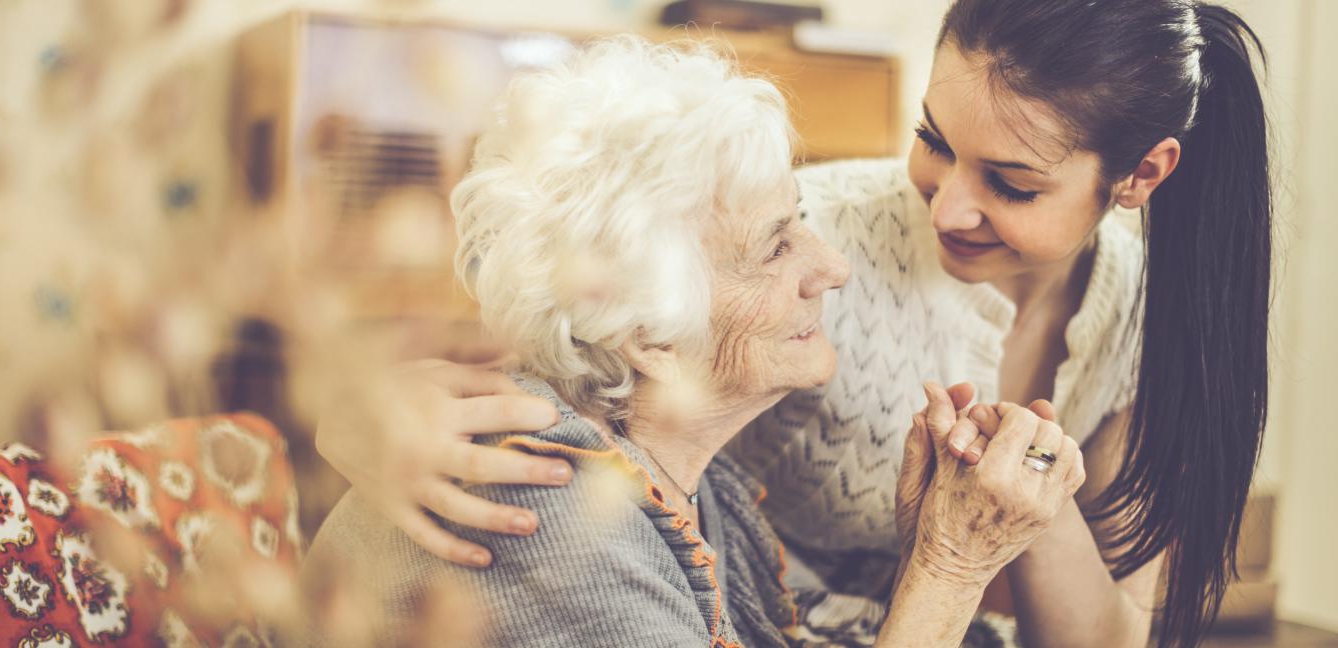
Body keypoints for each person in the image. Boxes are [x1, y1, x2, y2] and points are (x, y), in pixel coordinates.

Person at [316, 2, 1274, 646]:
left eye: (1014, 184)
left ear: (1141, 177)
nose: (836, 263)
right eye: (934, 140)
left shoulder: (704, 495)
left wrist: (998, 517)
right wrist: (351, 419)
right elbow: (561, 330)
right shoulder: (566, 509)